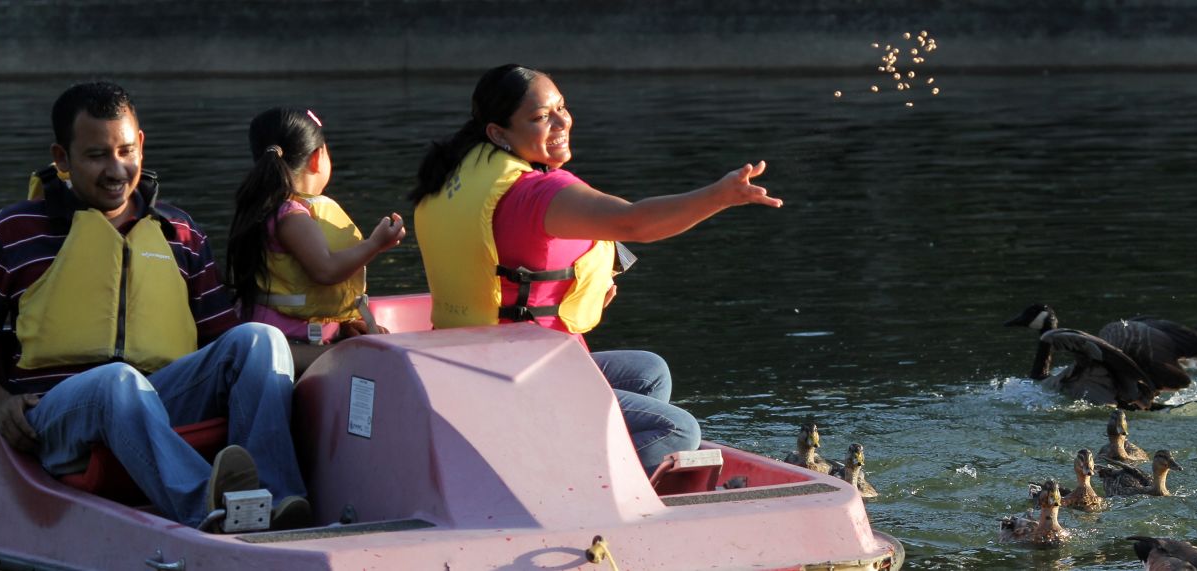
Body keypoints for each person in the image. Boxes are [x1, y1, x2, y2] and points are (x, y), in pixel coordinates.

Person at [409, 64, 782, 475]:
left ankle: (592, 462)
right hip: (518, 380)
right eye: (539, 118)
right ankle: (595, 504)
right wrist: (719, 196)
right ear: (498, 133)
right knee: (675, 428)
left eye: (561, 108)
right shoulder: (537, 192)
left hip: (481, 367)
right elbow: (633, 223)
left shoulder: (459, 175)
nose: (561, 122)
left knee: (648, 372)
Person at [0, 82, 308, 531]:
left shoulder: (181, 232)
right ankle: (209, 509)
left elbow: (221, 343)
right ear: (62, 159)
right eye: (96, 155)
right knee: (116, 382)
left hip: (157, 402)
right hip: (55, 419)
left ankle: (275, 501)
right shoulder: (12, 231)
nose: (116, 169)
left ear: (140, 145)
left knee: (260, 340)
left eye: (124, 151)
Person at [225, 107, 405, 347]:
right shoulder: (291, 216)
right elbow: (326, 270)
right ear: (317, 158)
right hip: (286, 344)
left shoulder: (267, 208)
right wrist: (374, 245)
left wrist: (343, 323)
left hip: (297, 334)